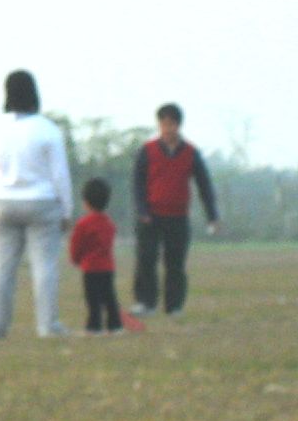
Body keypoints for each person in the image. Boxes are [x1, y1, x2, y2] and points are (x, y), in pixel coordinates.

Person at [0, 70, 74, 340]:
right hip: (42, 202)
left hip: (2, 202)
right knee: (44, 266)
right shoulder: (47, 130)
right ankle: (47, 326)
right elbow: (60, 175)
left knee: (2, 267)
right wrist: (66, 210)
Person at [130, 103, 219, 317]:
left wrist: (212, 216)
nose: (168, 129)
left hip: (178, 216)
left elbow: (204, 185)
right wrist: (141, 209)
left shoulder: (191, 153)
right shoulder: (147, 151)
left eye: (172, 124)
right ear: (159, 125)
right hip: (150, 216)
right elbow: (137, 183)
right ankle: (146, 303)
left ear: (179, 125)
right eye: (164, 124)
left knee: (175, 264)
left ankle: (174, 306)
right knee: (146, 260)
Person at [69, 178, 123, 335]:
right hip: (107, 268)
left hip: (90, 269)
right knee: (109, 297)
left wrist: (76, 259)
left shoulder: (83, 224)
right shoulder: (109, 223)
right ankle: (115, 325)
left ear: (85, 202)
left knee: (93, 300)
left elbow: (76, 245)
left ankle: (94, 326)